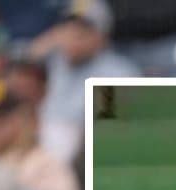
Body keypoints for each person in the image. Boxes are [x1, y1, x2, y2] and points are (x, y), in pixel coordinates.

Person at [31, 0, 138, 129]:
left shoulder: (119, 73)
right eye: (69, 27)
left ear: (102, 36)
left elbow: (110, 129)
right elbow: (21, 59)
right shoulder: (57, 60)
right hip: (46, 138)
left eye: (82, 30)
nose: (73, 36)